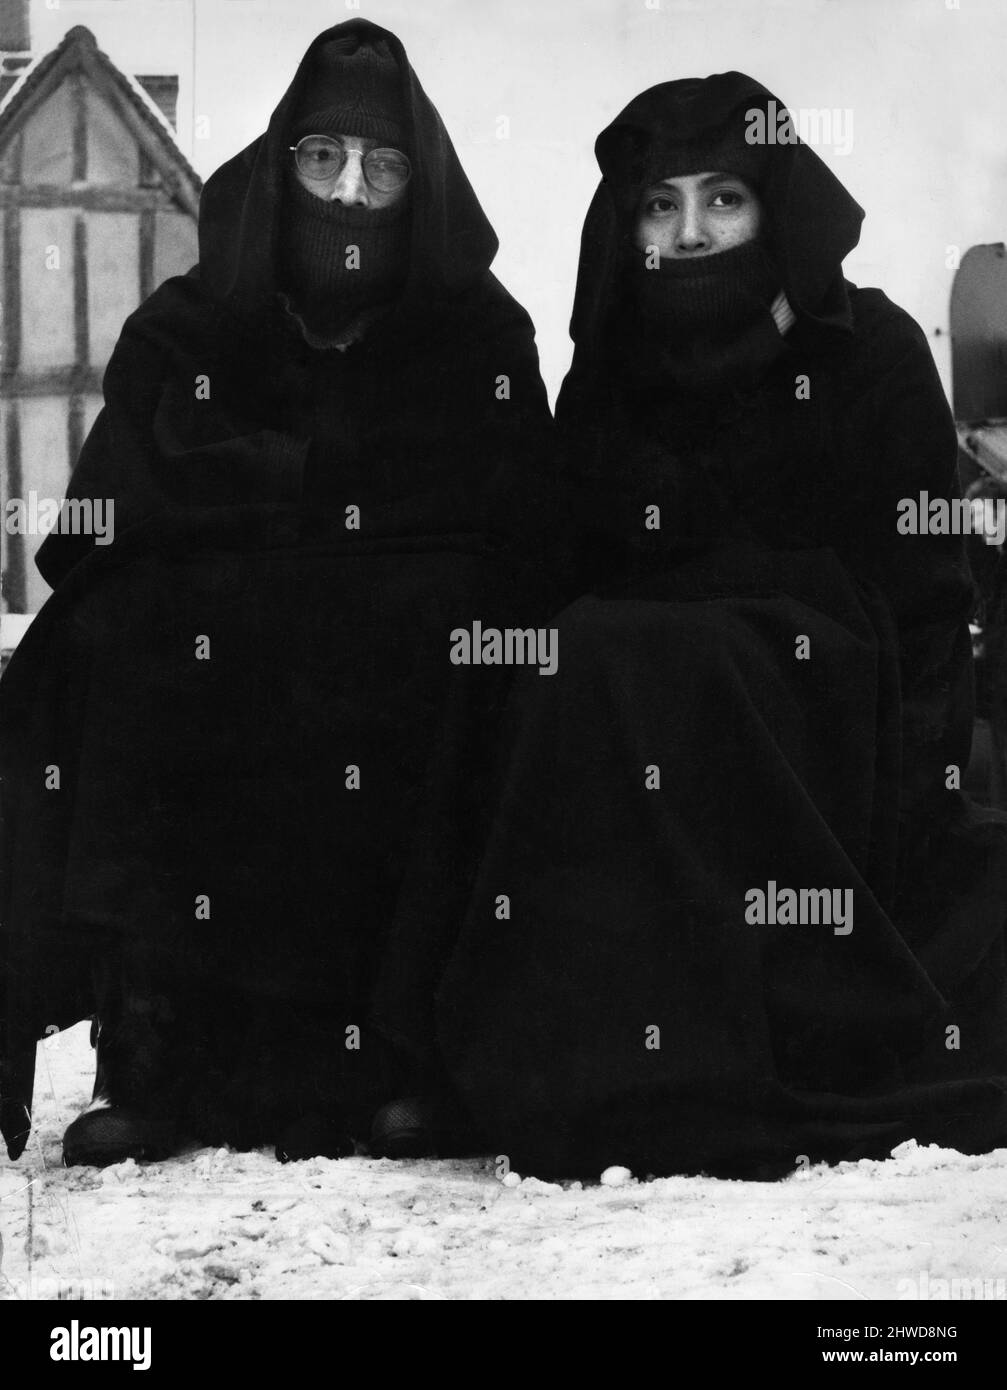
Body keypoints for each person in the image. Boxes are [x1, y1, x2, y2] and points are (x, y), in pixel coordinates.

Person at [434, 73, 1007, 1180]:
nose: (690, 232)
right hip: (631, 707)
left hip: (828, 724)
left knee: (629, 653)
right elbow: (559, 567)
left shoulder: (871, 350)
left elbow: (925, 607)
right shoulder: (610, 373)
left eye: (722, 201)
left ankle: (708, 1051)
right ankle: (577, 1042)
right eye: (661, 206)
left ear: (773, 209)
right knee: (569, 658)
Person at [0, 19, 553, 1166]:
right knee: (113, 636)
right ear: (282, 162)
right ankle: (153, 1054)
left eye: (383, 169)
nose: (350, 196)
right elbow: (98, 526)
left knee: (482, 650)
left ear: (422, 185)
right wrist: (308, 500)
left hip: (408, 655)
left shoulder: (475, 333)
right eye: (323, 161)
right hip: (219, 656)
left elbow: (524, 529)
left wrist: (272, 501)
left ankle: (419, 1055)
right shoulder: (192, 325)